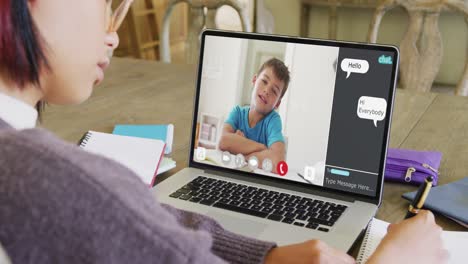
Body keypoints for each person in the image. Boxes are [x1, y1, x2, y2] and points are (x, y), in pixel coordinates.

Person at [0, 1, 448, 263]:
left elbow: (148, 222)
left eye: (276, 92)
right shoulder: (57, 182)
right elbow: (224, 145)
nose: (113, 32)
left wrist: (266, 256)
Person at [219, 58, 289, 174]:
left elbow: (278, 161)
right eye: (264, 81)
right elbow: (223, 141)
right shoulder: (237, 113)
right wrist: (263, 149)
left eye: (274, 91)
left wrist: (240, 150)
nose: (267, 90)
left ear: (277, 103)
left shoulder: (273, 120)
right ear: (254, 80)